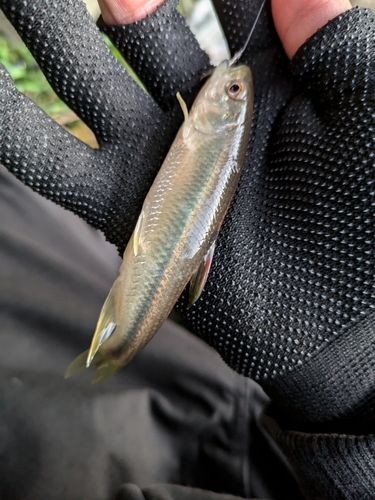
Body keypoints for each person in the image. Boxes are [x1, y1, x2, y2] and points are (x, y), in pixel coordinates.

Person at [0, 0, 374, 498]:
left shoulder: (210, 126)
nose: (229, 84)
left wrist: (350, 388)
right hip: (235, 418)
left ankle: (110, 350)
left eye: (233, 92)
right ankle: (108, 352)